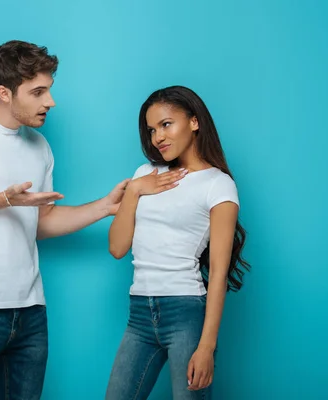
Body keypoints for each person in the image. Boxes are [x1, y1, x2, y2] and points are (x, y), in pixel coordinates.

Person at [0, 40, 134, 400]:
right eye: (38, 92)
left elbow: (42, 223)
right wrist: (2, 200)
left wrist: (105, 207)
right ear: (4, 92)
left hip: (30, 313)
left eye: (49, 90)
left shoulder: (39, 146)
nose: (50, 102)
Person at [105, 85, 250, 399]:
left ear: (194, 122)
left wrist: (207, 346)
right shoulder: (145, 174)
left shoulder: (217, 185)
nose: (158, 136)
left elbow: (220, 275)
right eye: (152, 129)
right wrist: (134, 191)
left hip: (185, 313)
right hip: (139, 312)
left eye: (166, 124)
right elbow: (117, 248)